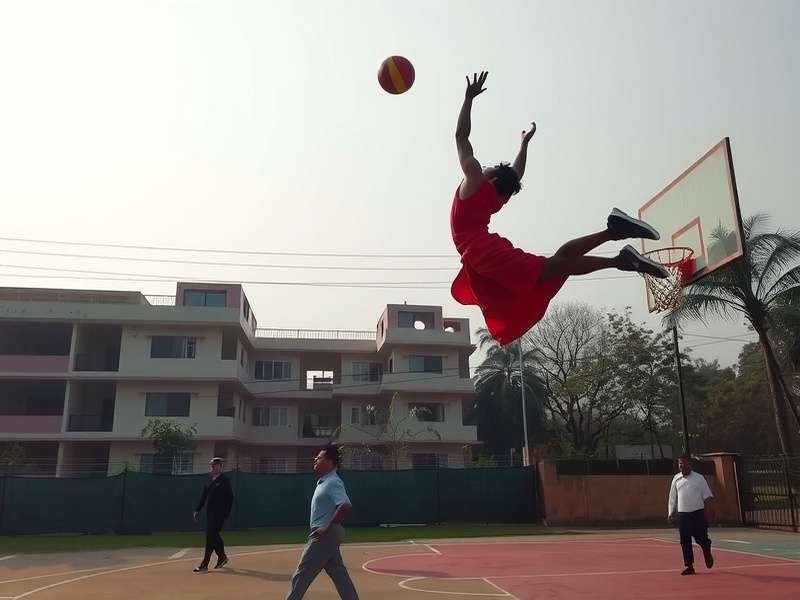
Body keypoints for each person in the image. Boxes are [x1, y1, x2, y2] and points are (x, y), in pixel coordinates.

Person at [451, 71, 671, 346]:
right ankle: (617, 247)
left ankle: (617, 245)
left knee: (551, 268)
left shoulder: (475, 183)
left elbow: (466, 139)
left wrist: (468, 99)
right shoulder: (491, 191)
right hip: (483, 253)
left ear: (492, 179)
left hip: (481, 253)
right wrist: (523, 144)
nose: (485, 166)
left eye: (490, 167)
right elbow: (505, 166)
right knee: (552, 267)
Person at [285, 445, 359, 600]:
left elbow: (345, 505)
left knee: (302, 573)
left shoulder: (332, 481)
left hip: (323, 536)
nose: (315, 460)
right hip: (328, 535)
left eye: (319, 458)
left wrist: (327, 527)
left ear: (330, 462)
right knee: (339, 573)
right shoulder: (324, 481)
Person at [668, 453, 715, 575]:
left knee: (700, 538)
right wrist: (670, 512)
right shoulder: (676, 479)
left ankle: (706, 548)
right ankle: (689, 566)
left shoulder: (699, 478)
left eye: (683, 463)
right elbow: (672, 497)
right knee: (685, 540)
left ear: (690, 464)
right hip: (683, 515)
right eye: (679, 463)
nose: (681, 466)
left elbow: (708, 497)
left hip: (698, 514)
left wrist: (709, 513)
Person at [193, 457, 234, 572]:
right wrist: (197, 510)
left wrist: (226, 513)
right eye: (212, 465)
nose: (213, 467)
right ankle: (222, 557)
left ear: (220, 467)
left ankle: (204, 564)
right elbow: (204, 496)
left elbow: (230, 498)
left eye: (216, 465)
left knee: (210, 537)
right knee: (213, 536)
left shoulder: (225, 480)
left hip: (219, 514)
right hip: (209, 513)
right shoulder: (209, 480)